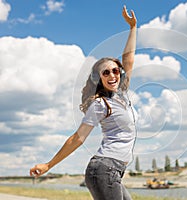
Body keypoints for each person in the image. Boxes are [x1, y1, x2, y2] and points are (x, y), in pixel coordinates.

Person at [30, 5, 137, 200]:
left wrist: (132, 28)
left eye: (115, 71)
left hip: (114, 172)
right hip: (104, 171)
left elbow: (128, 59)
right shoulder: (100, 104)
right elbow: (77, 138)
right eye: (106, 72)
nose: (112, 75)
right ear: (99, 78)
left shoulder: (122, 94)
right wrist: (48, 165)